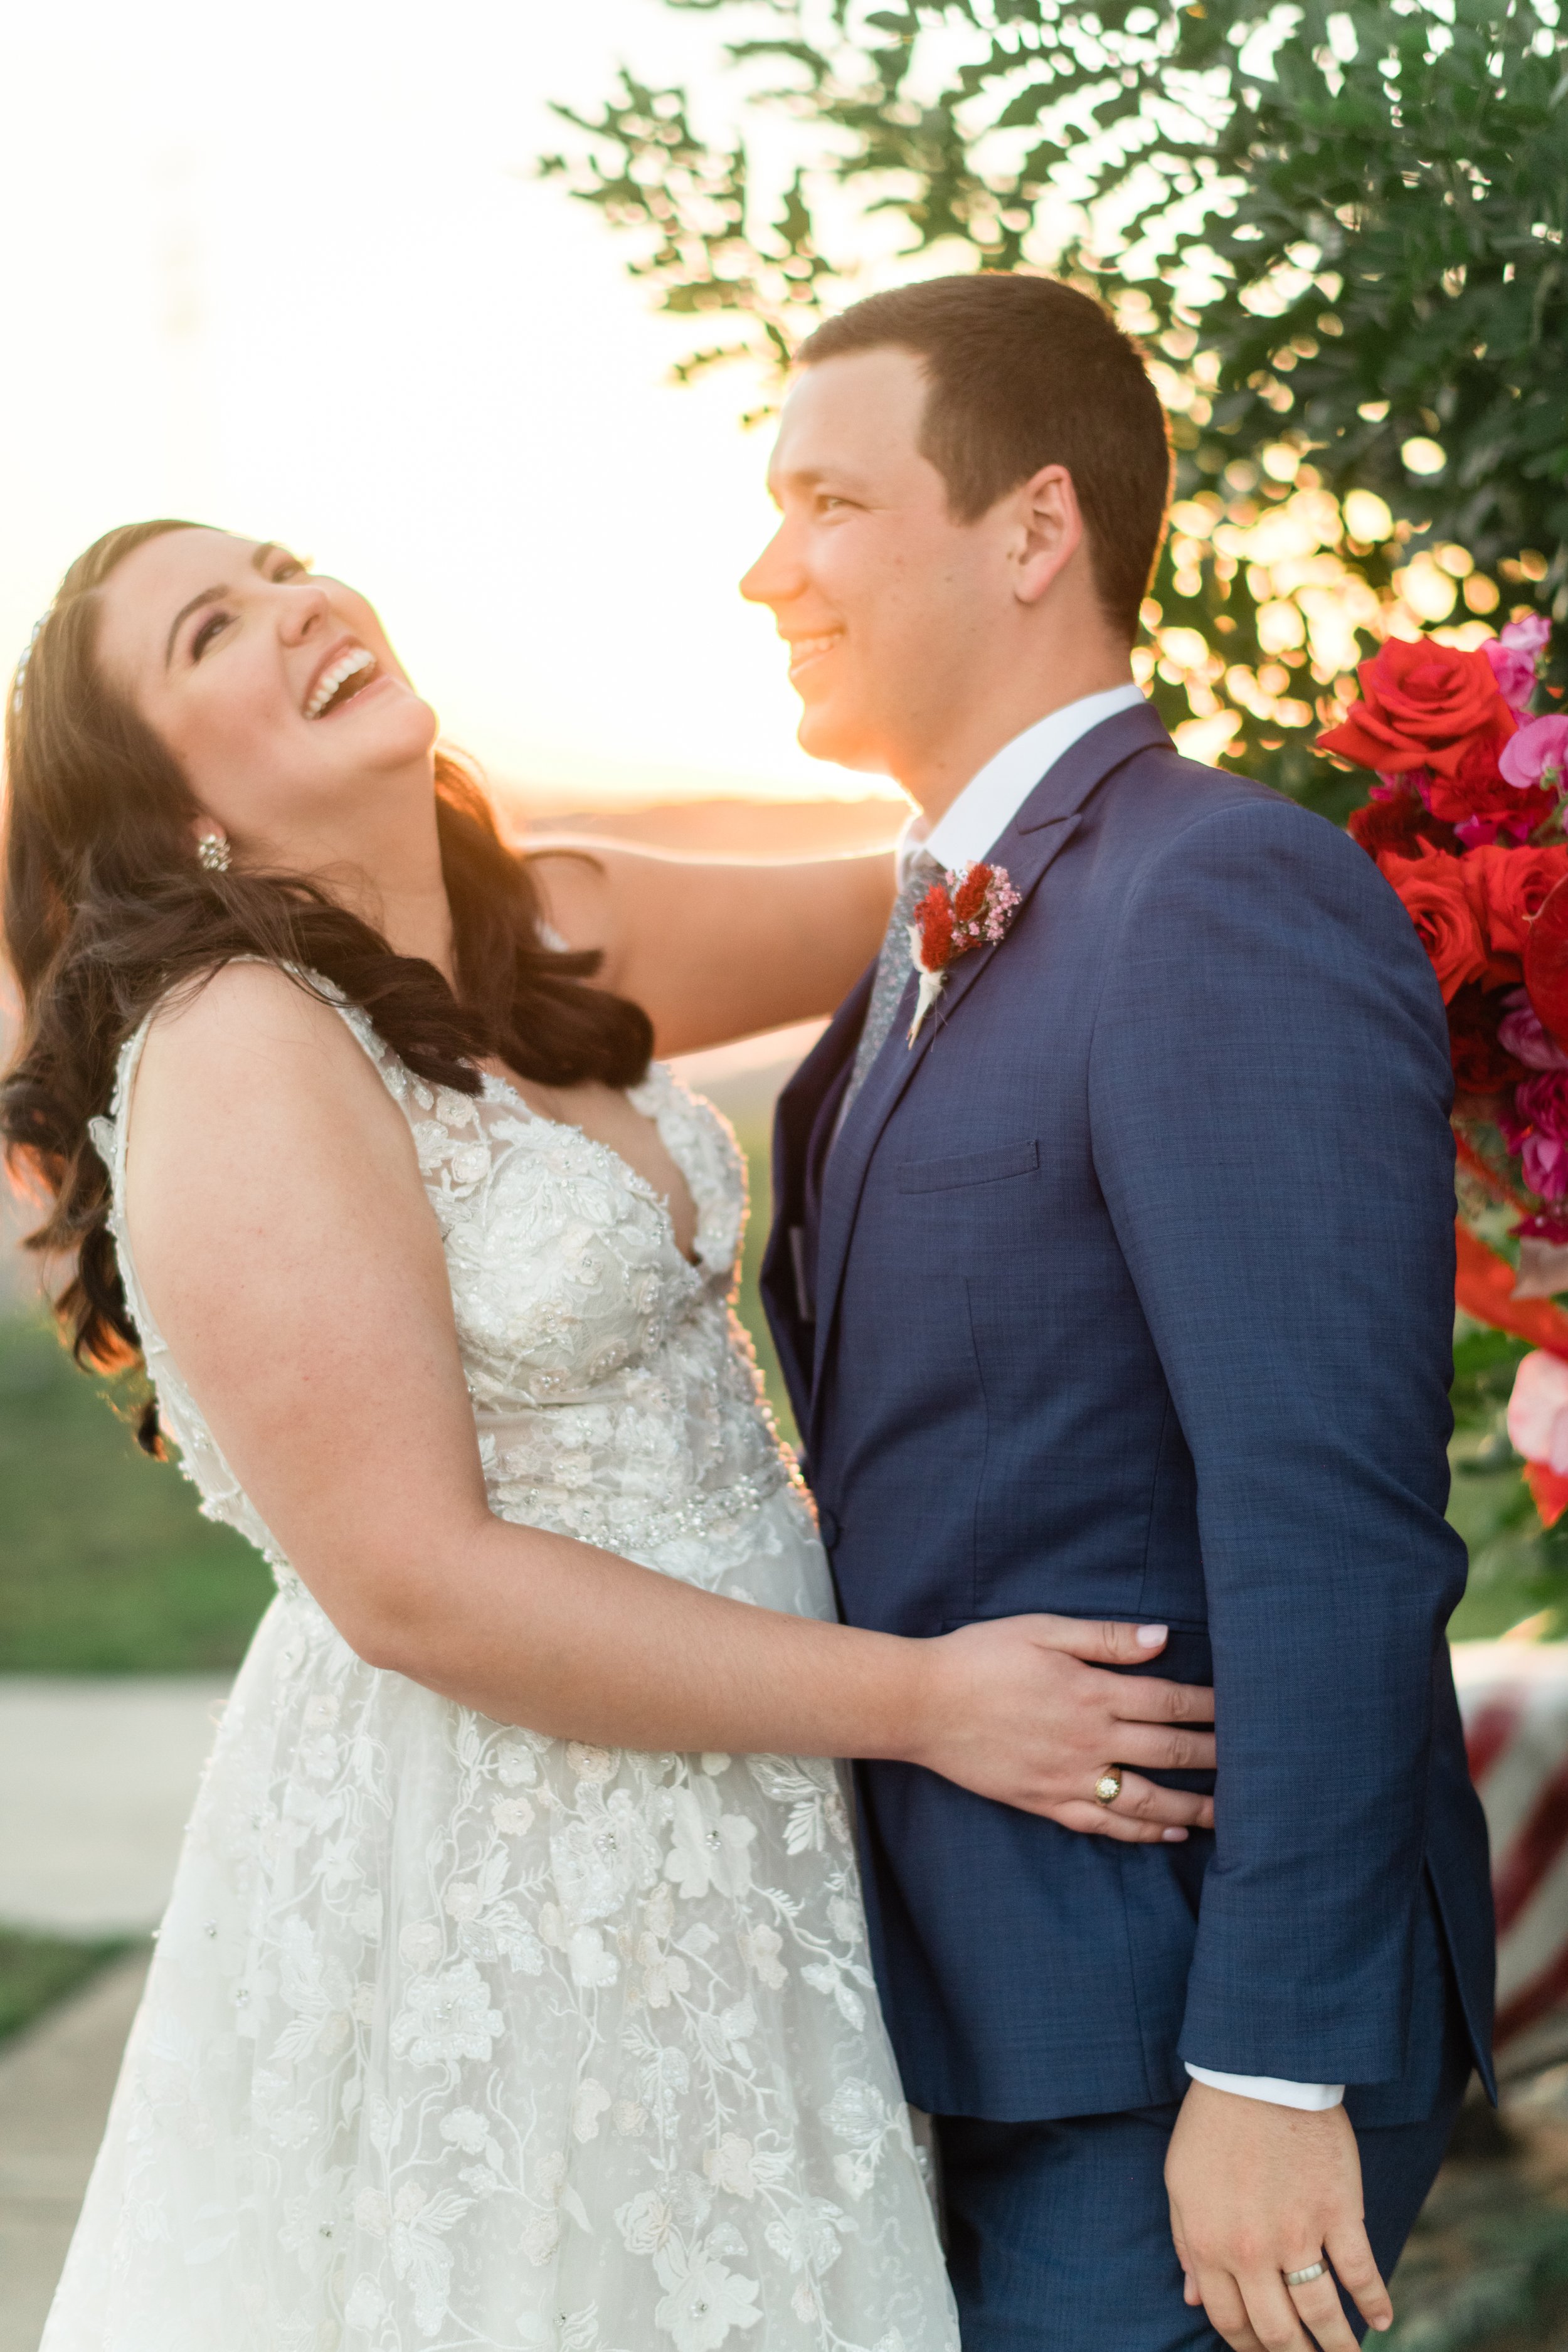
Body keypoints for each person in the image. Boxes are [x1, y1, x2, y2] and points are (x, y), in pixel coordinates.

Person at [2, 518, 1219, 2349]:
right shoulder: (240, 1040)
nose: (297, 603)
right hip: (518, 1857)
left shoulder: (547, 922)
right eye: (212, 631)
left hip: (753, 1792)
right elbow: (418, 1587)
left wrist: (1350, 833)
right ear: (175, 812)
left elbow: (972, 881)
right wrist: (930, 1700)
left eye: (279, 565)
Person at [732, 273, 1493, 2350]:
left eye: (826, 504)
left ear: (1032, 529)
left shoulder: (1213, 893)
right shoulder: (941, 917)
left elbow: (1328, 1516)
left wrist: (1270, 2068)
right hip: (974, 2000)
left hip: (1169, 2027)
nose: (762, 570)